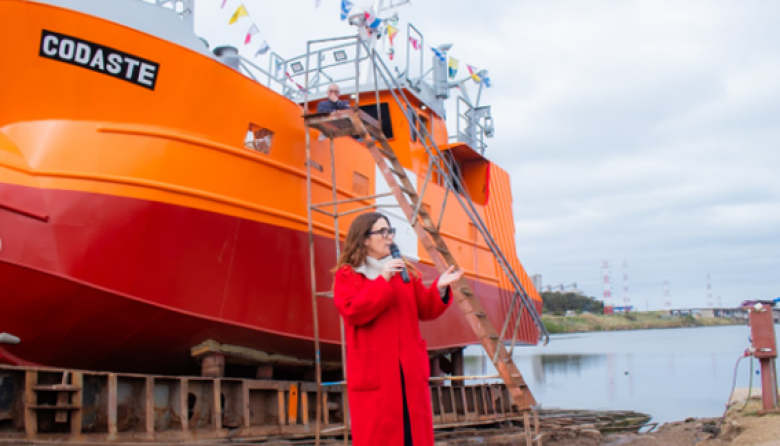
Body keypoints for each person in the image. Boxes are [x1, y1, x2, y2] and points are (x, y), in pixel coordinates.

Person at [333, 212, 464, 446]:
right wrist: (383, 279)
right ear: (364, 239)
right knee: (380, 436)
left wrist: (440, 289)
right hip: (377, 372)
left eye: (390, 231)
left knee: (412, 435)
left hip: (408, 370)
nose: (389, 237)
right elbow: (353, 311)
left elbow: (424, 309)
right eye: (382, 232)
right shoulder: (348, 275)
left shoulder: (405, 272)